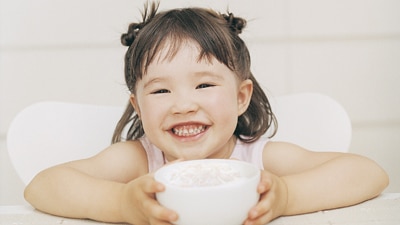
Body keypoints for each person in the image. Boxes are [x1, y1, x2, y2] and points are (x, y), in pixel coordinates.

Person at [24, 2, 389, 225]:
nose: (183, 104)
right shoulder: (139, 161)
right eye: (161, 90)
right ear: (138, 105)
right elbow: (42, 187)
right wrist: (121, 203)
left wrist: (287, 196)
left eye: (204, 86)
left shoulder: (258, 159)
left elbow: (369, 174)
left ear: (241, 96)